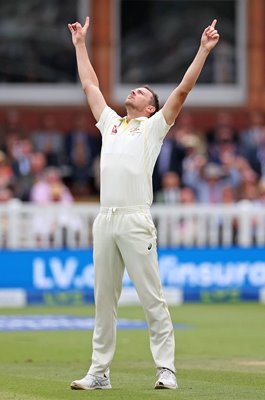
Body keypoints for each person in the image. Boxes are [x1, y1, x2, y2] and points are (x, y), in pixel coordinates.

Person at [68, 16, 219, 390]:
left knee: (153, 298)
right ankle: (99, 373)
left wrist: (202, 50)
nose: (133, 92)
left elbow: (182, 91)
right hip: (106, 220)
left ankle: (165, 369)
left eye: (141, 93)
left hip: (136, 220)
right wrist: (80, 45)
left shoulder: (153, 128)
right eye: (133, 90)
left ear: (151, 108)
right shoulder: (110, 123)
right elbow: (90, 84)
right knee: (105, 301)